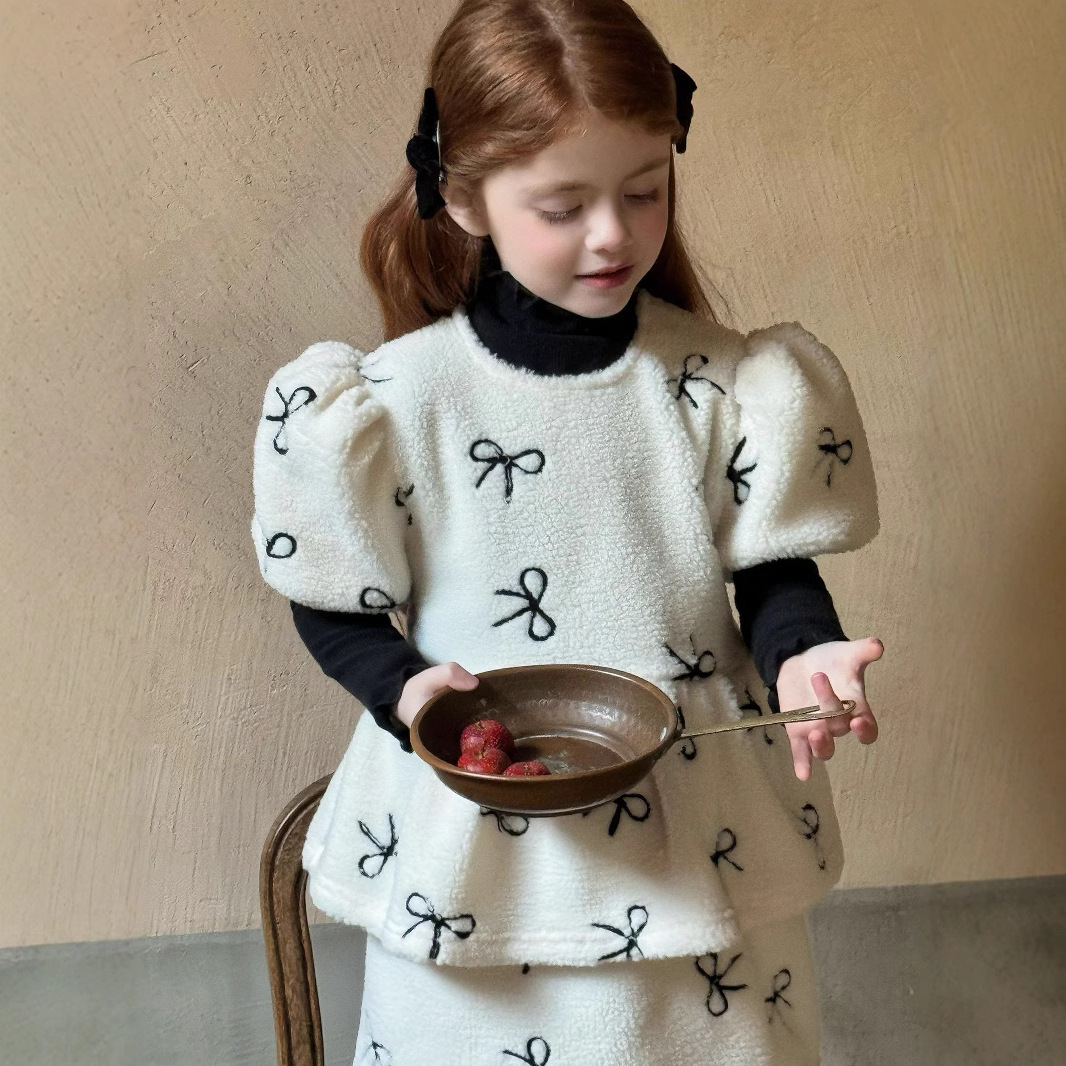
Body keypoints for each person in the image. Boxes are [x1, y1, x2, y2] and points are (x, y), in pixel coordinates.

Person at [251, 1, 883, 1062]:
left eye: (643, 190)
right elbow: (332, 599)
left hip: (696, 834)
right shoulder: (397, 402)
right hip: (474, 840)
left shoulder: (720, 383)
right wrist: (406, 690)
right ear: (464, 197)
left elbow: (773, 569)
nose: (614, 234)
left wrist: (802, 654)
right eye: (563, 205)